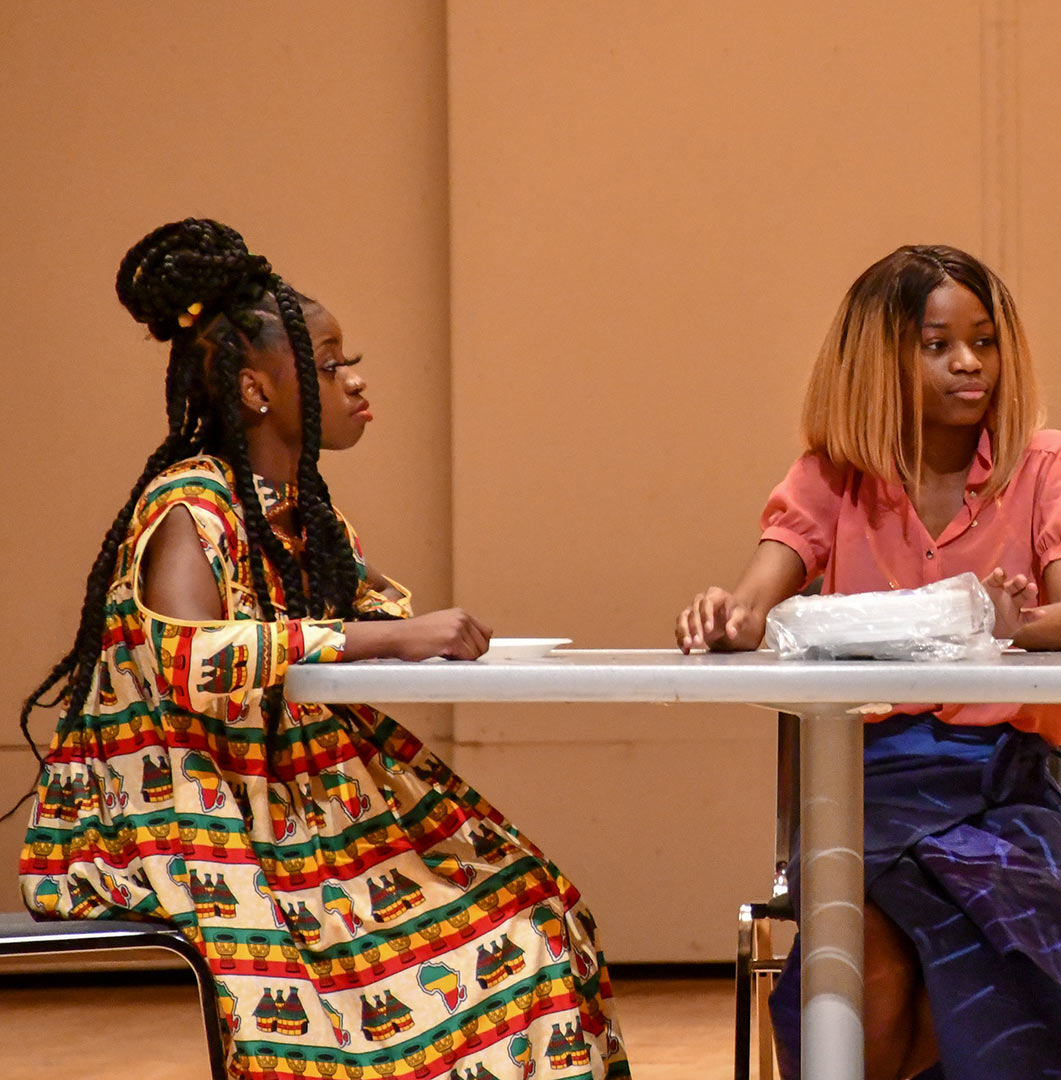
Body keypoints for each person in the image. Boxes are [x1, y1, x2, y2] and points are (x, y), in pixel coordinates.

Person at [16, 220, 628, 1079]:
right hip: (186, 810)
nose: (356, 378)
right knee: (345, 1008)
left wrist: (391, 618)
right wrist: (390, 635)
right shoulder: (190, 503)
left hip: (295, 793)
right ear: (256, 389)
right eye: (332, 362)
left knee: (534, 912)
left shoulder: (302, 512)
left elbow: (355, 606)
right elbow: (196, 658)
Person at [675, 244, 1061, 1080]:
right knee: (868, 982)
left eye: (984, 342)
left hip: (1005, 790)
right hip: (863, 790)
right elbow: (752, 608)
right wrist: (721, 617)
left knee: (991, 971)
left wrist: (1015, 625)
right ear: (880, 361)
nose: (969, 363)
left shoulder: (1052, 465)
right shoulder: (830, 479)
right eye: (938, 344)